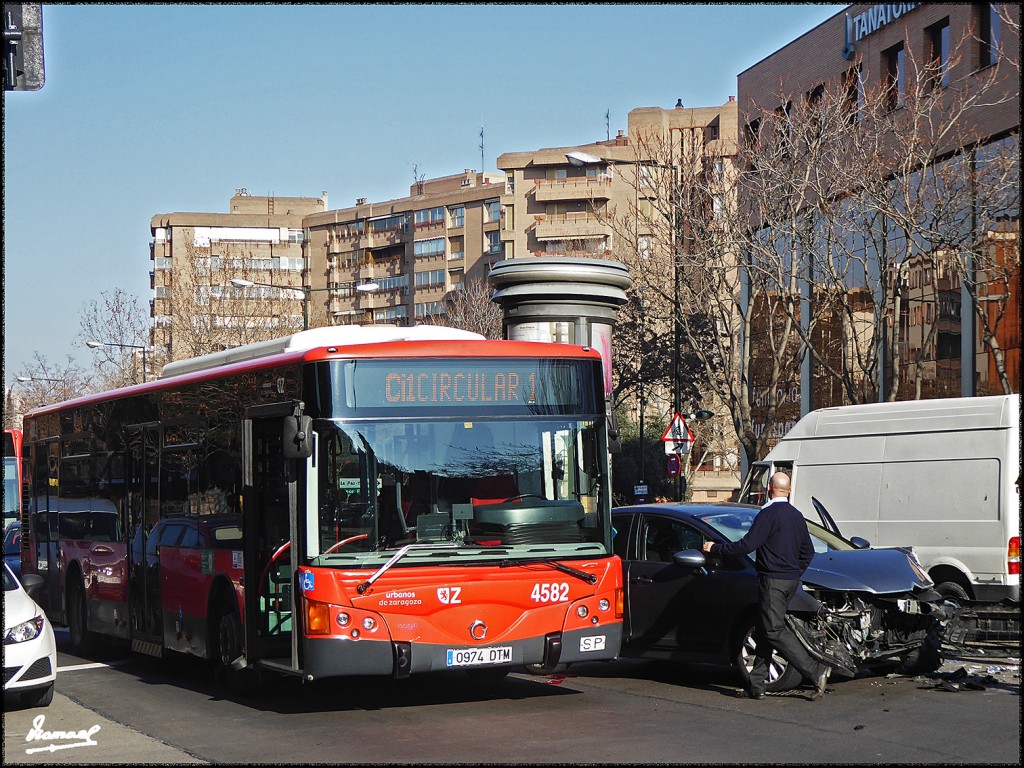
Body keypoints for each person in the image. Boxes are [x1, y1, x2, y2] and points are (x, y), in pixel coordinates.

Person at [702, 471, 831, 701]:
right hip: (791, 580)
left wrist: (715, 548)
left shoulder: (767, 515)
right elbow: (808, 552)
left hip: (772, 581)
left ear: (769, 488)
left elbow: (746, 545)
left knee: (774, 630)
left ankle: (816, 670)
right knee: (764, 630)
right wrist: (794, 572)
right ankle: (757, 684)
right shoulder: (796, 516)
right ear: (789, 491)